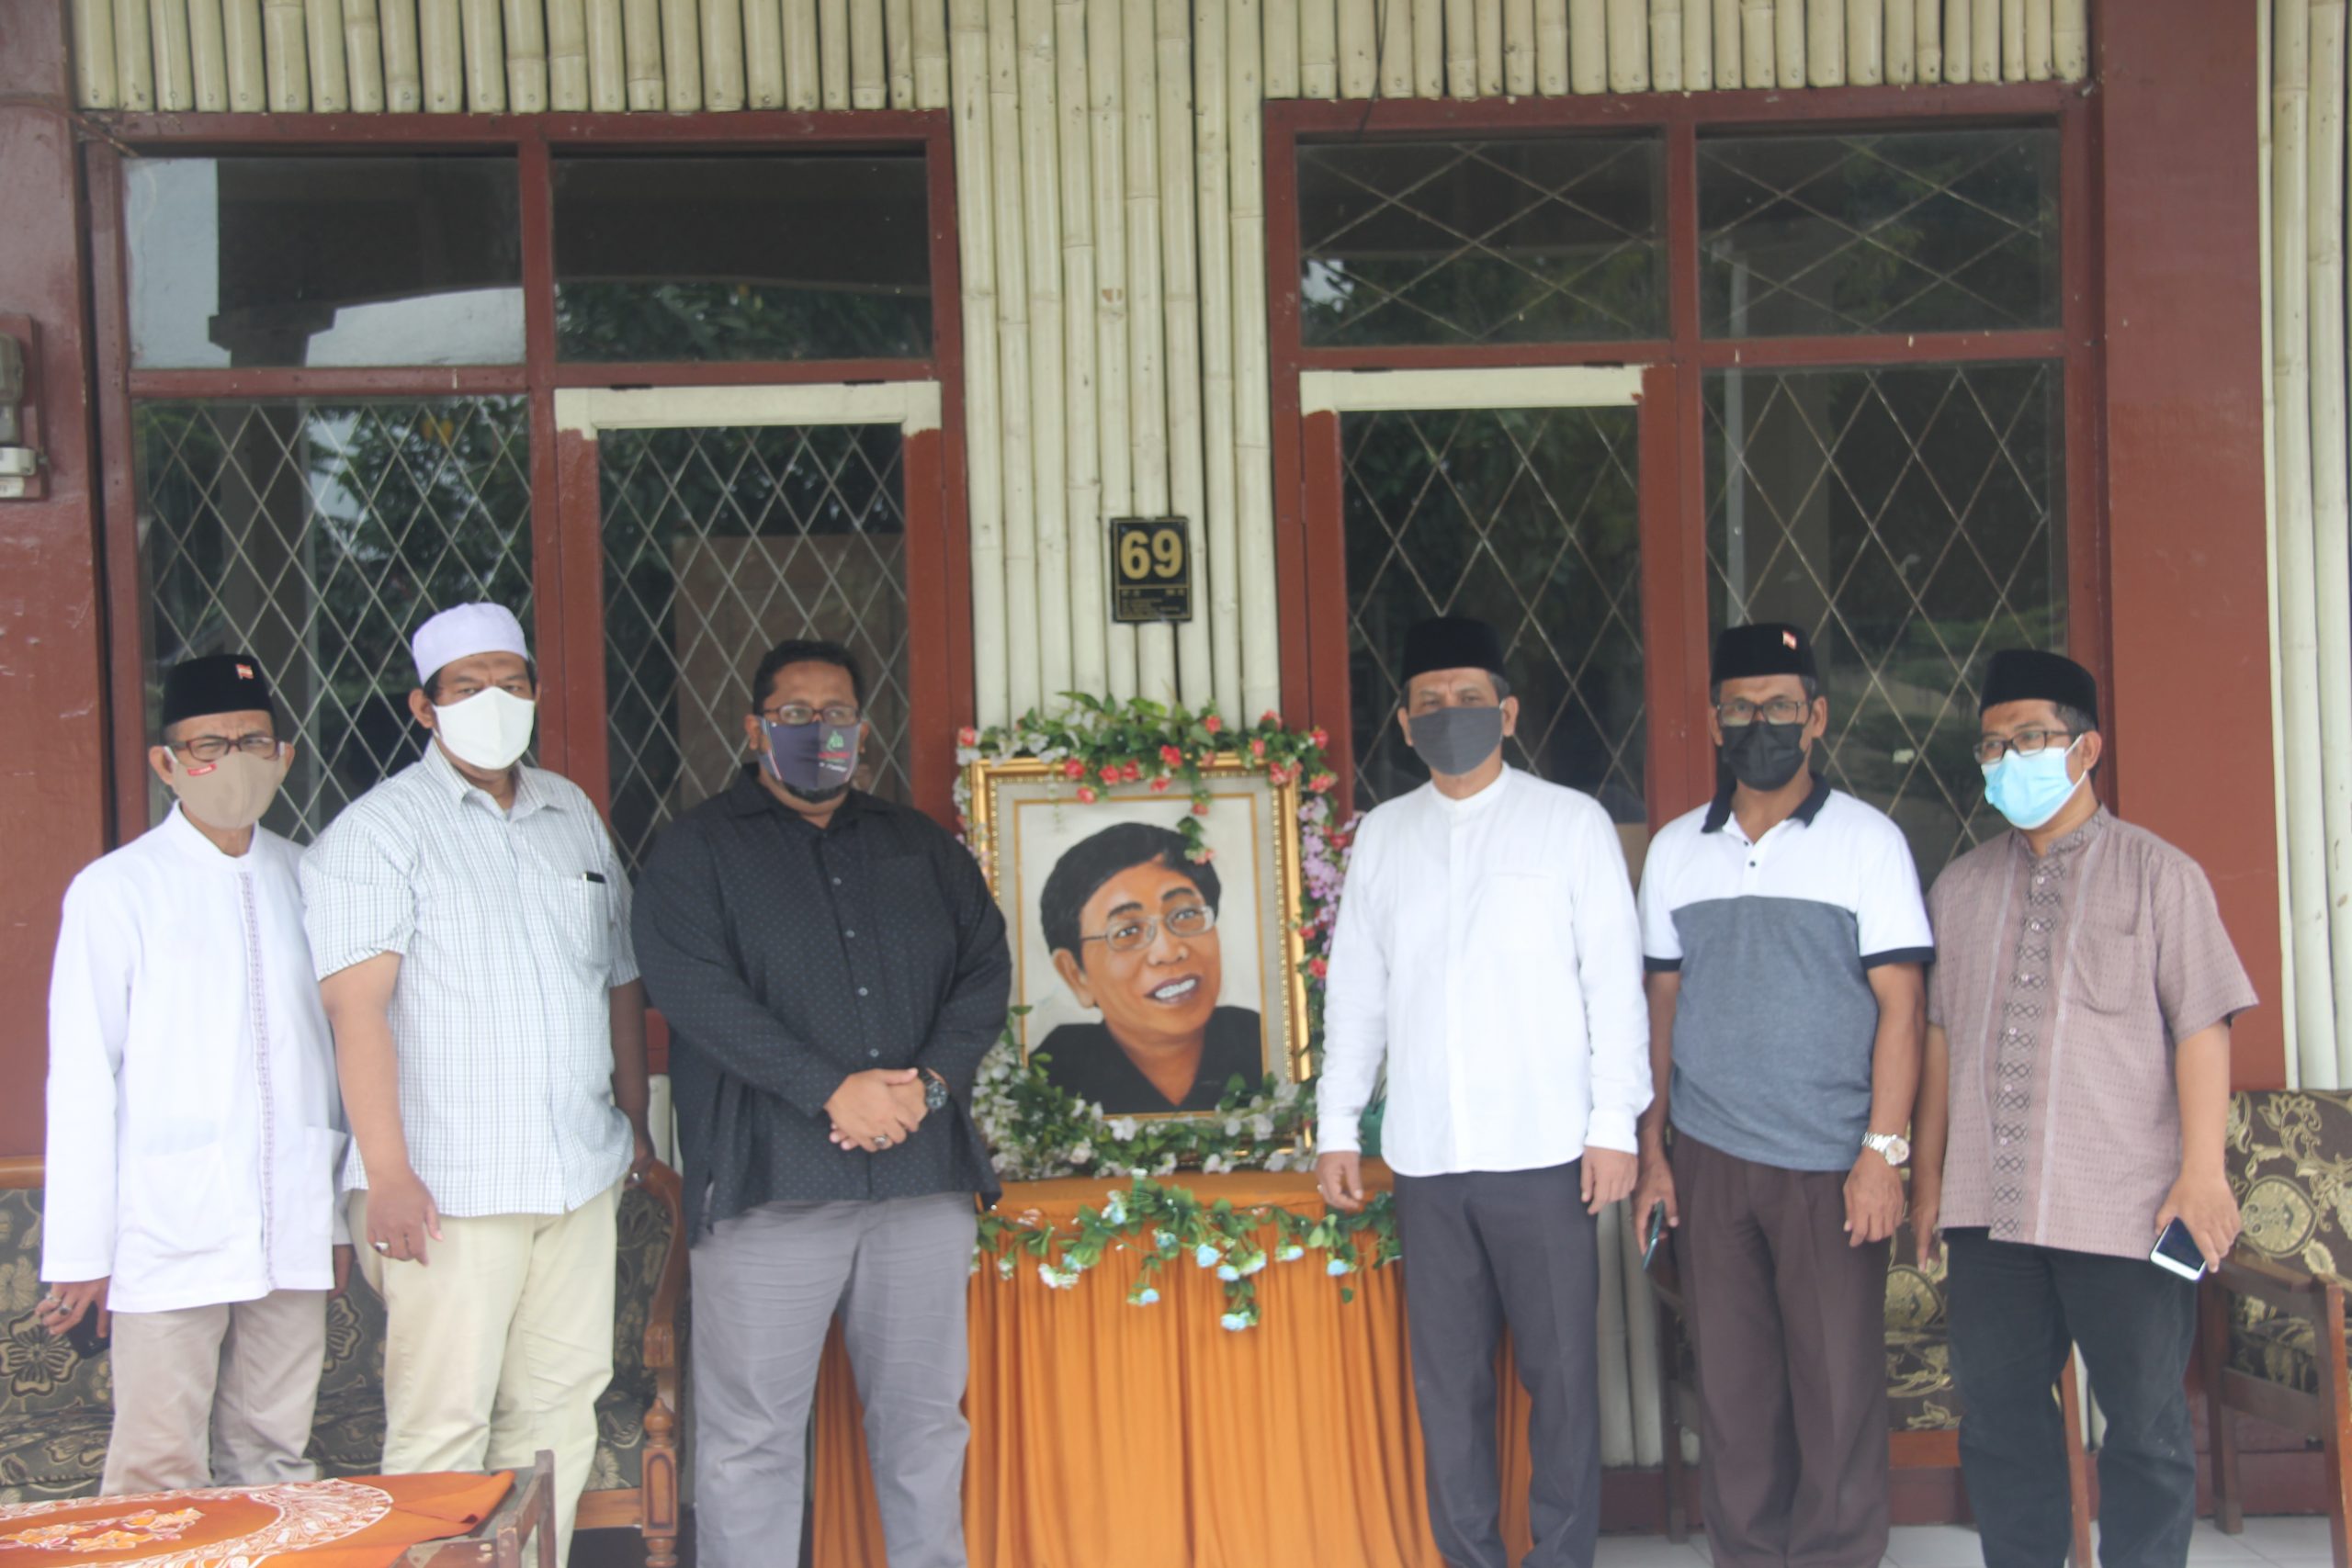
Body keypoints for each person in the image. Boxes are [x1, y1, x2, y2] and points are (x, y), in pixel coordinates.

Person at [630, 637, 1011, 1568]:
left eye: (836, 714)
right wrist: (830, 1090)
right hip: (769, 1184)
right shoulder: (695, 852)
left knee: (925, 1427)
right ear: (754, 729)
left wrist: (926, 1087)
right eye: (794, 715)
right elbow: (694, 992)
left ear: (863, 731)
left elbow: (984, 972)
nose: (817, 730)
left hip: (919, 1181)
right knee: (752, 1442)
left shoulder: (922, 847)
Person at [301, 604, 652, 1563]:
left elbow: (619, 976)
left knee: (557, 1412)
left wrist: (634, 1119)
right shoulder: (378, 833)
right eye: (467, 686)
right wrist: (387, 1174)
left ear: (535, 693)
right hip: (447, 1187)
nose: (493, 700)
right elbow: (357, 1011)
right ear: (425, 706)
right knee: (442, 1427)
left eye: (511, 681)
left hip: (576, 1172)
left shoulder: (570, 813)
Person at [1316, 615, 1650, 1568]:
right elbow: (1357, 992)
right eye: (1429, 702)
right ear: (1403, 721)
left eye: (1468, 697)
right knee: (1448, 1387)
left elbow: (1612, 983)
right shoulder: (1384, 834)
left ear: (1507, 712)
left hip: (1545, 1152)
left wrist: (1614, 1124)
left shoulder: (1569, 822)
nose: (1449, 713)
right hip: (1428, 1157)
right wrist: (1337, 1125)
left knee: (1563, 1383)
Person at [1911, 649, 2256, 1568]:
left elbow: (2202, 1026)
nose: (2007, 760)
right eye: (1992, 746)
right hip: (1989, 1212)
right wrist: (1927, 1182)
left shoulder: (2160, 876)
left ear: (2086, 748)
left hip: (2125, 1210)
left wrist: (2203, 1173)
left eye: (2029, 738)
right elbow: (1938, 1042)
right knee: (2000, 1427)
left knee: (2143, 1430)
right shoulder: (1959, 889)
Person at [1629, 623, 1932, 1568]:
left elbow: (1903, 1007)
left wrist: (1881, 1153)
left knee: (1837, 1392)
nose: (1760, 724)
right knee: (1733, 1394)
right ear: (1715, 719)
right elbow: (1659, 1011)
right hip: (1710, 1161)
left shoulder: (1868, 843)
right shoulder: (1676, 851)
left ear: (1817, 717)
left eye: (1781, 707)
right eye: (1741, 707)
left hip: (1830, 1162)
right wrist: (1652, 1154)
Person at [39, 653, 350, 1495]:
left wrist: (334, 1218)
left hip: (291, 1214)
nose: (234, 761)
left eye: (253, 741)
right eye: (209, 745)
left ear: (284, 755)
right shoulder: (117, 889)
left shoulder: (312, 878)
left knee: (276, 1458)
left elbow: (336, 1054)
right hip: (169, 1218)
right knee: (157, 1467)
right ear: (167, 762)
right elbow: (82, 1073)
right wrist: (81, 1246)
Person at [1035, 819, 1262, 1113]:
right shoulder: (1045, 1083)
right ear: (1075, 975)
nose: (1169, 952)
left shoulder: (1261, 1043)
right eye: (1128, 932)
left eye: (1186, 915)